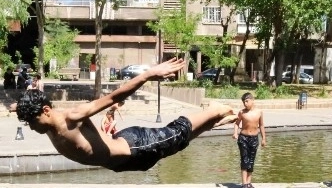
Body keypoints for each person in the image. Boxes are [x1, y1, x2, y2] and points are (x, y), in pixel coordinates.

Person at [13, 59, 235, 172]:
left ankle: (213, 110)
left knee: (178, 132)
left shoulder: (72, 117)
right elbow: (30, 107)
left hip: (137, 147)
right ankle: (212, 121)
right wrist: (18, 107)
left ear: (46, 111)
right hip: (122, 162)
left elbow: (114, 96)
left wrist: (147, 74)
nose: (32, 127)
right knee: (179, 143)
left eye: (33, 122)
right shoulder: (45, 122)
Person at [233, 92, 267, 188]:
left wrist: (264, 138)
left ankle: (248, 182)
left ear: (252, 100)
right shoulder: (242, 113)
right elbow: (236, 124)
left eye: (247, 101)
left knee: (251, 160)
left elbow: (261, 125)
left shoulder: (259, 112)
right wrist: (235, 133)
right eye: (244, 102)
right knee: (245, 160)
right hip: (243, 138)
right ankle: (244, 183)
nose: (245, 104)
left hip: (254, 138)